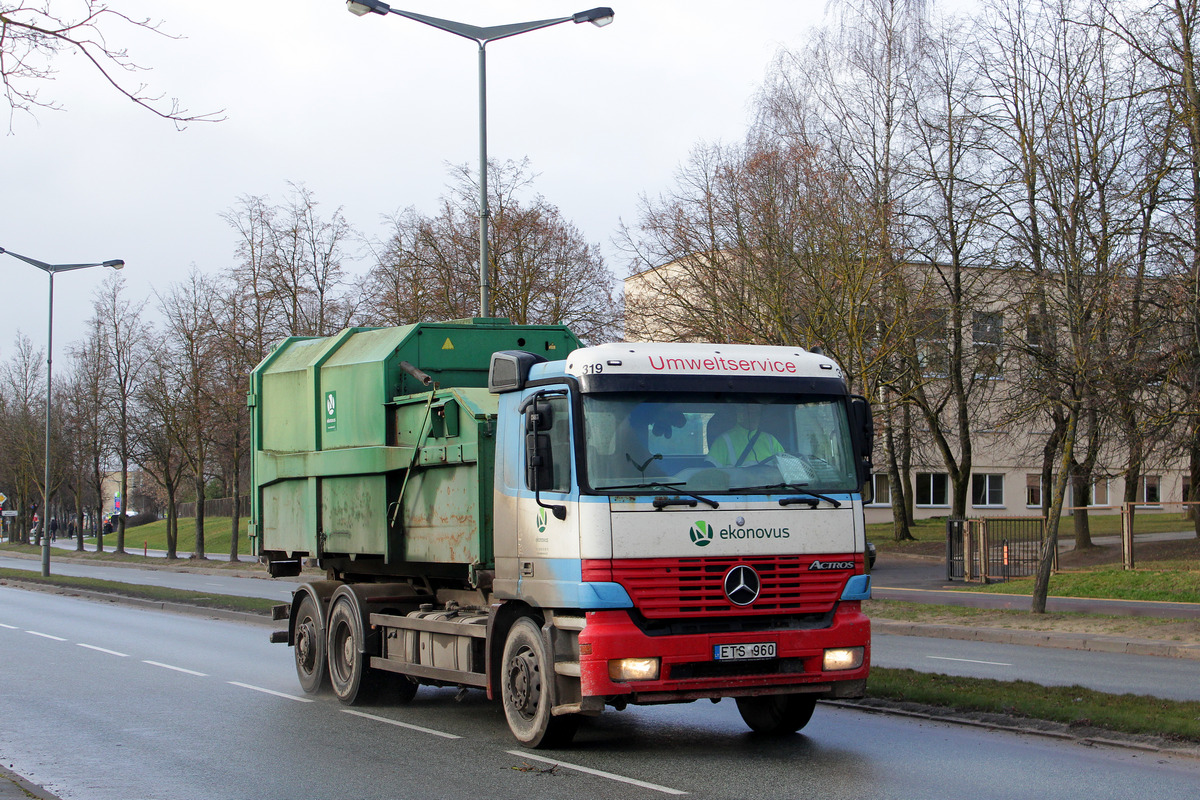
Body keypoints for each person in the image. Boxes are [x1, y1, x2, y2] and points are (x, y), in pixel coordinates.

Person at [708, 404, 784, 466]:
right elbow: (711, 475)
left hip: (772, 485)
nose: (754, 417)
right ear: (740, 414)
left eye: (757, 413)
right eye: (750, 413)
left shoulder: (771, 440)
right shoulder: (723, 441)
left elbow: (787, 470)